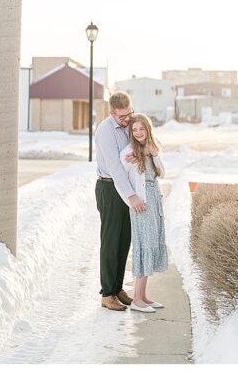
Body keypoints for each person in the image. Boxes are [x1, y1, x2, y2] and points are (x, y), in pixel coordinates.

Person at [94, 91, 142, 311]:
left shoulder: (132, 122)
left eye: (128, 114)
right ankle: (107, 293)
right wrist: (130, 195)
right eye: (121, 117)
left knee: (124, 240)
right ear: (112, 113)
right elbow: (114, 166)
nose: (126, 120)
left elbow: (148, 139)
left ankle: (118, 287)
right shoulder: (105, 130)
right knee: (111, 241)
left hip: (126, 186)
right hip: (110, 187)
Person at [119, 114, 168, 313]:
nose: (138, 133)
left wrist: (153, 153)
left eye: (142, 129)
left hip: (154, 199)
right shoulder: (128, 152)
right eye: (134, 130)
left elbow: (162, 173)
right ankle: (137, 298)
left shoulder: (151, 148)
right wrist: (132, 200)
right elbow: (120, 180)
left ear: (148, 129)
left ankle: (144, 296)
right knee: (144, 245)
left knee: (152, 242)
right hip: (141, 203)